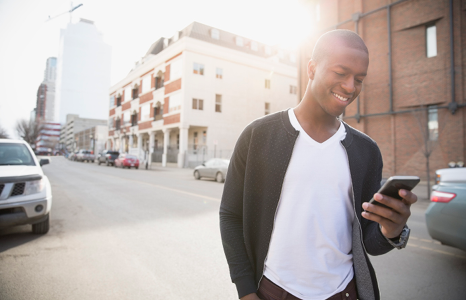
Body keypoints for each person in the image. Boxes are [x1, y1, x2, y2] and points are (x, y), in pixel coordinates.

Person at [219, 29, 417, 300]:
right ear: (311, 68)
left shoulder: (366, 151)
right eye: (340, 72)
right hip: (274, 291)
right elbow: (230, 215)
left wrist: (390, 231)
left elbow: (370, 242)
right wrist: (245, 290)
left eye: (359, 79)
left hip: (345, 292)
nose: (350, 87)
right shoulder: (258, 136)